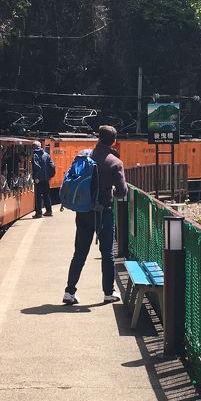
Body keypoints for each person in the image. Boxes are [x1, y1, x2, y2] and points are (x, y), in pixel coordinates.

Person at [63, 125, 128, 305]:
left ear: (98, 138)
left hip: (83, 211)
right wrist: (113, 189)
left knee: (79, 253)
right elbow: (122, 192)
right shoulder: (115, 162)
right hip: (103, 213)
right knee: (107, 254)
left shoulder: (86, 157)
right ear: (114, 141)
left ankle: (69, 292)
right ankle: (108, 293)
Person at [32, 140, 55, 218]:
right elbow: (52, 166)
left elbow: (36, 166)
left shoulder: (35, 155)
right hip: (46, 178)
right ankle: (49, 211)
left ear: (34, 147)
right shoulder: (46, 155)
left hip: (39, 179)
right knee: (46, 194)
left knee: (38, 196)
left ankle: (38, 212)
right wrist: (50, 176)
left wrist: (36, 177)